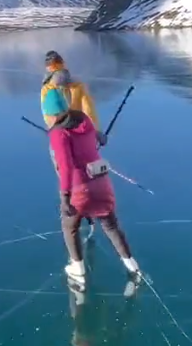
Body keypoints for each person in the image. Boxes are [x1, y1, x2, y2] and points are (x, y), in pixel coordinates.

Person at [42, 87, 140, 283]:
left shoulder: (58, 135)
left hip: (80, 188)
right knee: (111, 226)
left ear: (51, 113)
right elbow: (96, 136)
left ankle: (78, 269)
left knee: (69, 226)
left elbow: (66, 167)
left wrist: (65, 198)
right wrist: (99, 137)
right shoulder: (83, 119)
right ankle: (132, 265)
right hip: (102, 183)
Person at [41, 50, 107, 147]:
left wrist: (53, 129)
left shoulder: (46, 89)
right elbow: (89, 110)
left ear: (48, 68)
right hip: (81, 133)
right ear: (63, 64)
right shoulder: (78, 86)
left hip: (62, 135)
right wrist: (96, 131)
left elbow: (48, 115)